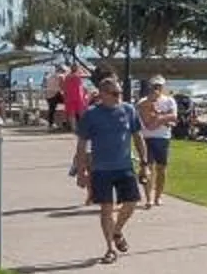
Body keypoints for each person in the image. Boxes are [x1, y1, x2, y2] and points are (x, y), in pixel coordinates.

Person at [70, 76, 143, 262]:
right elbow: (81, 145)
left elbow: (137, 136)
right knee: (106, 209)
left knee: (132, 202)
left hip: (125, 166)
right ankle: (110, 249)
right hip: (101, 169)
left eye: (120, 92)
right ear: (102, 95)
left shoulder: (128, 110)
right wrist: (81, 172)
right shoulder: (91, 114)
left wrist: (144, 163)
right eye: (114, 93)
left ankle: (117, 231)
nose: (119, 96)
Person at [137, 74, 180, 207]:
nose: (157, 89)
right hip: (147, 138)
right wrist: (162, 118)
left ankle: (158, 196)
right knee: (147, 167)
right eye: (154, 86)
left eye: (159, 86)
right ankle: (148, 198)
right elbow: (146, 120)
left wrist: (159, 118)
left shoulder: (169, 101)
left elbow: (173, 117)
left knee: (161, 168)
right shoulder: (143, 101)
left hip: (163, 138)